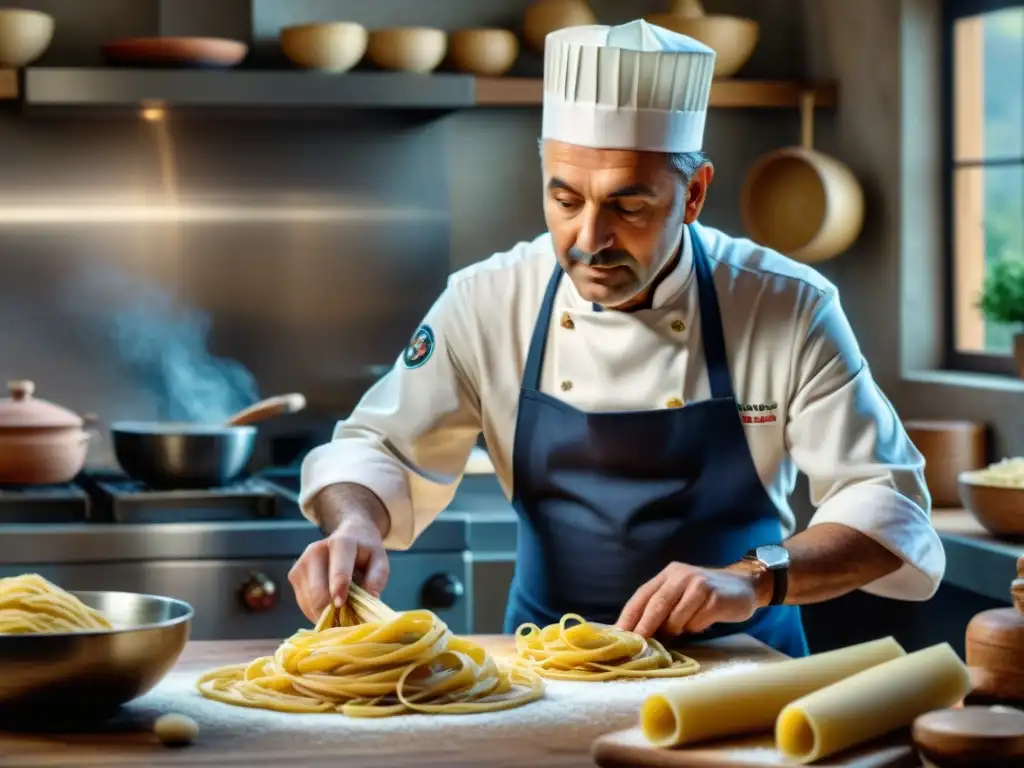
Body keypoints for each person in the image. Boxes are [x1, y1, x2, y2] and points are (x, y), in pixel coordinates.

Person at [290, 20, 944, 657]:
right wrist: (354, 524)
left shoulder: (787, 305)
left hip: (745, 673)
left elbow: (886, 503)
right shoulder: (487, 301)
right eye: (566, 200)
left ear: (693, 194)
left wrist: (751, 578)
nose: (589, 240)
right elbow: (381, 448)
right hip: (544, 674)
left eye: (628, 207)